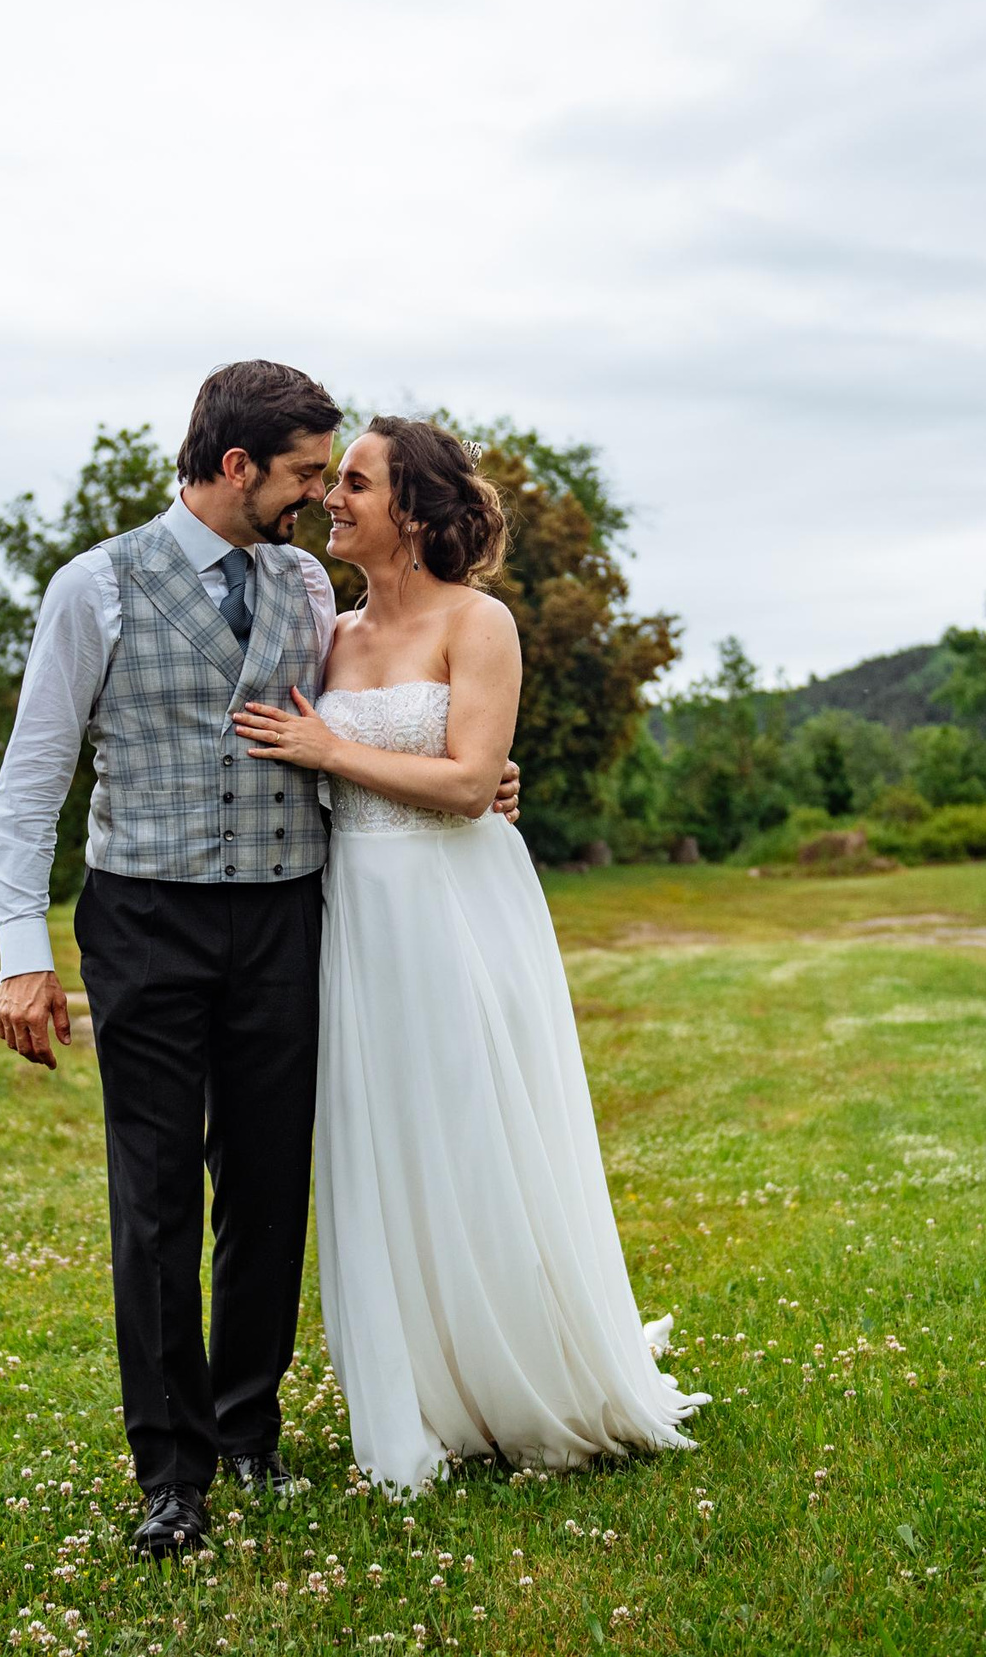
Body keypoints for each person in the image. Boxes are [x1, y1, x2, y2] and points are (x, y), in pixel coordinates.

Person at [0, 363, 521, 1558]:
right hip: (146, 918)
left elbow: (386, 720)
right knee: (159, 1193)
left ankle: (247, 1430)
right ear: (237, 468)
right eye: (303, 474)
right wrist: (24, 957)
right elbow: (24, 794)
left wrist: (478, 782)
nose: (319, 496)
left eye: (331, 476)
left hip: (284, 914)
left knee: (270, 1189)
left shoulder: (304, 586)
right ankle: (171, 1473)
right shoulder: (95, 586)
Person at [232, 415, 707, 1497]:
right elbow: (336, 767)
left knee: (473, 1122)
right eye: (332, 479)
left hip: (456, 902)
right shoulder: (329, 631)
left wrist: (341, 749)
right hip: (354, 906)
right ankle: (427, 1387)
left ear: (413, 507)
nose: (330, 498)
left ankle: (521, 1365)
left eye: (354, 482)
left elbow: (463, 780)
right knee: (383, 1137)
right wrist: (335, 759)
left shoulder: (478, 621)